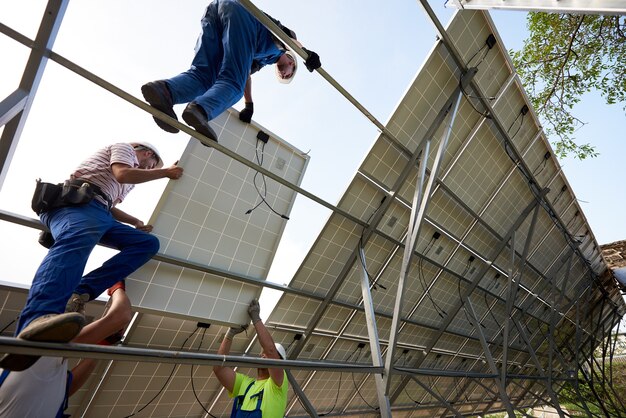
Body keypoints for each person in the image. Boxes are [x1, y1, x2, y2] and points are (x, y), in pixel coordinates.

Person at [0, 142, 183, 372]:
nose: (149, 169)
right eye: (151, 165)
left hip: (99, 212)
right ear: (147, 154)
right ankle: (36, 321)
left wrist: (134, 222)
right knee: (76, 241)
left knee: (146, 244)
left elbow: (109, 204)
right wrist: (164, 172)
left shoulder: (124, 185)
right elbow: (123, 174)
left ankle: (81, 291)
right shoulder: (125, 150)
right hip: (77, 205)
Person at [141, 0, 321, 142]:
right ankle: (200, 110)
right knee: (232, 85)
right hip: (242, 17)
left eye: (284, 77)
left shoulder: (262, 60)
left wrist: (249, 104)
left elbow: (245, 75)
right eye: (289, 72)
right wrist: (306, 53)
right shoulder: (282, 46)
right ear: (292, 61)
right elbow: (290, 39)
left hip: (216, 10)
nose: (284, 74)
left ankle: (164, 91)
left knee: (205, 75)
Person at [0, 284, 133, 418]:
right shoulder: (48, 389)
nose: (82, 311)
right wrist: (105, 342)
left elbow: (120, 316)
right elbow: (72, 382)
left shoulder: (41, 357)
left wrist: (116, 287)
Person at [213, 299, 288, 418]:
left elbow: (270, 350)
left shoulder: (277, 385)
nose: (265, 354)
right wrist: (230, 334)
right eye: (262, 352)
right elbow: (219, 369)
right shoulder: (244, 384)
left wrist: (256, 318)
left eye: (270, 355)